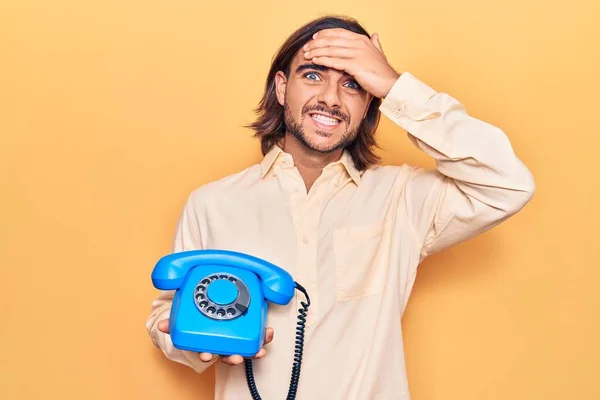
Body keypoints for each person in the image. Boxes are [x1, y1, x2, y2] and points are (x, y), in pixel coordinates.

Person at [145, 15, 535, 400]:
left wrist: (396, 87)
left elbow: (508, 183)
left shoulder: (403, 197)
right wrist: (189, 341)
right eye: (313, 75)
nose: (331, 98)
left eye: (353, 83)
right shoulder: (213, 203)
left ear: (370, 103)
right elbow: (165, 314)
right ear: (282, 88)